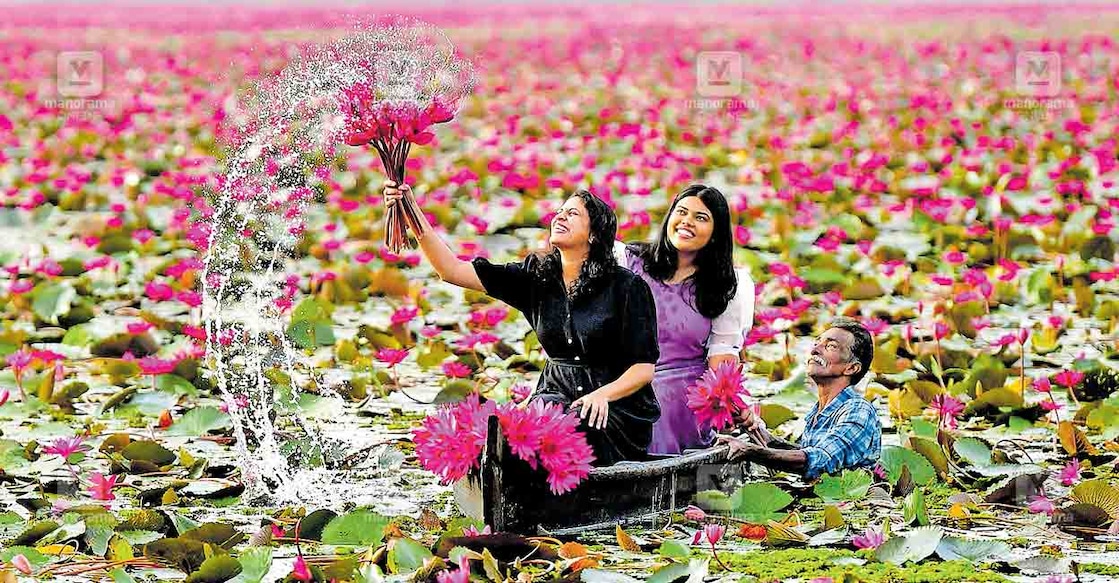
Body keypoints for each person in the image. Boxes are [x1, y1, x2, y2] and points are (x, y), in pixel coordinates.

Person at [383, 181, 661, 466]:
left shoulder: (627, 287)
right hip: (553, 400)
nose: (560, 216)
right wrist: (409, 208)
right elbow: (451, 270)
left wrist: (602, 395)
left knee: (568, 424)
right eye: (560, 211)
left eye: (573, 214)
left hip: (613, 410)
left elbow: (644, 368)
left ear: (594, 235)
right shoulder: (536, 277)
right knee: (503, 432)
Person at [614, 185, 755, 455]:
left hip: (680, 390)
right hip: (622, 378)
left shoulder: (729, 286)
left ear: (716, 233)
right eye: (682, 212)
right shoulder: (628, 261)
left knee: (658, 401)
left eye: (701, 218)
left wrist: (734, 407)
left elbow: (721, 363)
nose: (687, 221)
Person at [717, 317, 881, 479]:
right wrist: (763, 435)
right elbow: (806, 450)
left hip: (846, 501)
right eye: (817, 342)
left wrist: (749, 451)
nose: (815, 350)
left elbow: (819, 459)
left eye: (830, 346)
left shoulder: (858, 410)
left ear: (851, 368)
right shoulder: (822, 409)